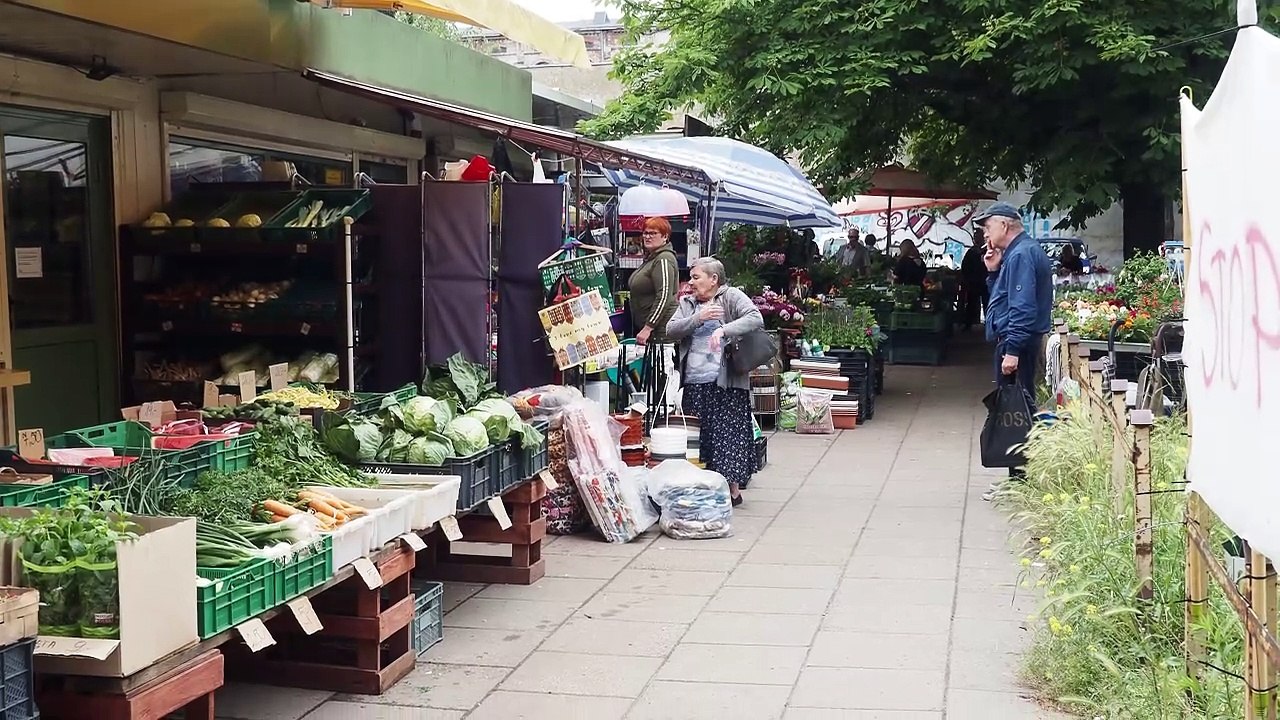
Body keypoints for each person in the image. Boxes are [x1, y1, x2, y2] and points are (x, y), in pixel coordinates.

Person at [666, 257, 764, 506]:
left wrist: (723, 330)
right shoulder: (687, 303)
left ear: (713, 279)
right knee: (699, 438)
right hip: (695, 382)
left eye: (696, 277)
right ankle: (703, 487)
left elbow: (755, 318)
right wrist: (699, 319)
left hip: (726, 381)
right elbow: (671, 329)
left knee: (727, 436)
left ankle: (731, 490)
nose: (691, 282)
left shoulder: (730, 296)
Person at [976, 202, 1053, 499]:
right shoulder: (1019, 253)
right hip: (1016, 340)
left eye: (988, 226)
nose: (985, 233)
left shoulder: (1021, 254)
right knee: (1016, 409)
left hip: (1016, 342)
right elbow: (1005, 298)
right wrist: (993, 272)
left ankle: (1020, 482)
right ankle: (1018, 478)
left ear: (1005, 225)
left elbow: (1022, 309)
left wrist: (1012, 350)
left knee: (1015, 412)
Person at [628, 217, 679, 346]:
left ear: (665, 236)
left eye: (653, 233)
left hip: (660, 333)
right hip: (653, 332)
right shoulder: (653, 257)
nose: (648, 237)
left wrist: (648, 327)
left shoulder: (663, 259)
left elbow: (664, 296)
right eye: (646, 233)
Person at [960, 240, 989, 331]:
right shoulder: (972, 252)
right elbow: (965, 266)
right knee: (971, 304)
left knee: (987, 304)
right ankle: (968, 324)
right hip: (974, 282)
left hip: (984, 282)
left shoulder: (988, 250)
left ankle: (989, 324)